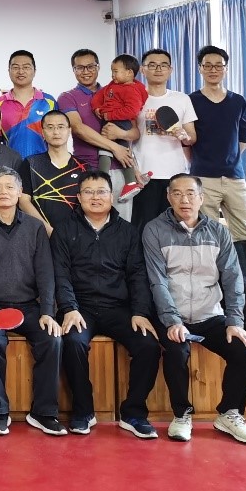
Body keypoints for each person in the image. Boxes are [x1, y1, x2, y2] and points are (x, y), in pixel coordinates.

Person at [143, 173, 246, 445]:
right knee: (176, 351)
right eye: (177, 194)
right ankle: (181, 414)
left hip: (210, 314)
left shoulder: (219, 232)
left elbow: (232, 278)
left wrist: (235, 321)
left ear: (201, 198)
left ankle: (230, 414)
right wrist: (172, 321)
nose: (184, 200)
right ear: (168, 197)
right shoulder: (154, 230)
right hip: (171, 315)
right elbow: (157, 280)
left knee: (242, 349)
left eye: (190, 194)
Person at [53, 170, 160, 439]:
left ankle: (134, 413)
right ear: (79, 197)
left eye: (101, 191)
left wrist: (140, 312)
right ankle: (83, 411)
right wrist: (69, 308)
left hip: (118, 308)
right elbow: (60, 274)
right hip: (81, 307)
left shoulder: (128, 232)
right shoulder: (64, 230)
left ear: (111, 196)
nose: (95, 197)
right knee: (73, 342)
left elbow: (138, 275)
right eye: (88, 192)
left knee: (148, 345)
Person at [0, 166, 65, 436]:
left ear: (20, 192)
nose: (4, 192)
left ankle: (44, 412)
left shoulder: (35, 227)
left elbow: (46, 273)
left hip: (29, 306)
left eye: (10, 187)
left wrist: (47, 312)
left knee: (52, 339)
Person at [115, 49, 197, 227]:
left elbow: (192, 138)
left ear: (170, 70)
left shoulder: (182, 99)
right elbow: (126, 138)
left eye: (163, 65)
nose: (158, 69)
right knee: (143, 228)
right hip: (143, 175)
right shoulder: (133, 98)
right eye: (152, 65)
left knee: (174, 228)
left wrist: (184, 136)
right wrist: (133, 169)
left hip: (175, 175)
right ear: (142, 70)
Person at [189, 45, 246, 242]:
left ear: (226, 69)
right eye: (208, 65)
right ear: (200, 68)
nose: (213, 70)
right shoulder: (190, 101)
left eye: (219, 65)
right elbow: (187, 141)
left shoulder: (238, 101)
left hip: (234, 177)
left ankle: (245, 264)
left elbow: (244, 138)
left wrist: (229, 158)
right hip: (203, 177)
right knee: (206, 234)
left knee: (244, 233)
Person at [57, 50, 135, 197]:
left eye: (91, 66)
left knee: (122, 212)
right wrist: (115, 148)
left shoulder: (114, 92)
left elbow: (134, 131)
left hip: (121, 168)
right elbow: (78, 129)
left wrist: (122, 135)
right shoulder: (67, 97)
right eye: (80, 68)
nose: (86, 71)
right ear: (73, 70)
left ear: (98, 67)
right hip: (87, 168)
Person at [23, 111, 84, 235]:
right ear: (43, 132)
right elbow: (23, 201)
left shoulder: (83, 167)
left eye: (61, 127)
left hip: (75, 236)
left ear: (69, 130)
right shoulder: (30, 163)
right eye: (50, 127)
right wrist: (48, 231)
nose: (56, 132)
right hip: (39, 235)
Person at [91, 55, 149, 172]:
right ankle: (105, 176)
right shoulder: (112, 85)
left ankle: (109, 176)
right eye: (112, 71)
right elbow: (99, 95)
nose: (112, 75)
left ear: (129, 73)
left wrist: (110, 115)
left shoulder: (132, 90)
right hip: (109, 120)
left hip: (122, 122)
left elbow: (132, 111)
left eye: (116, 71)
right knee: (107, 149)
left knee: (119, 150)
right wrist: (97, 107)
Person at [0, 50, 57, 160]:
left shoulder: (49, 102)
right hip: (10, 166)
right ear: (9, 71)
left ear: (34, 71)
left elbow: (58, 137)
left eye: (26, 67)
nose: (21, 71)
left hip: (43, 166)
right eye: (15, 67)